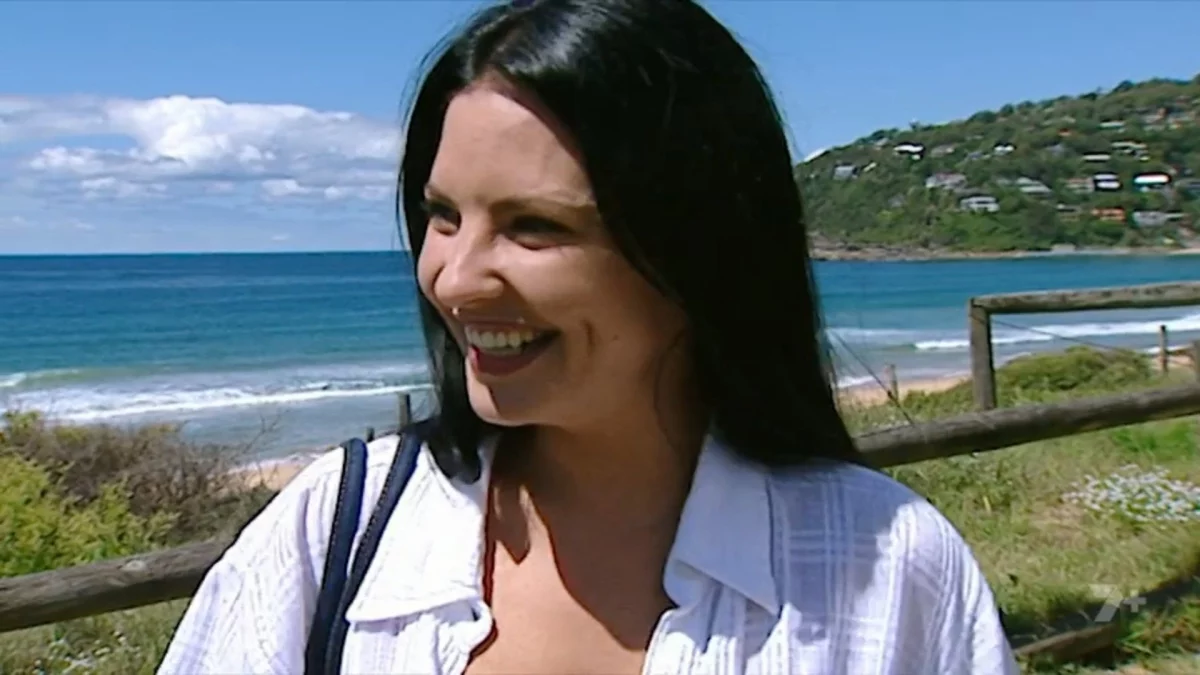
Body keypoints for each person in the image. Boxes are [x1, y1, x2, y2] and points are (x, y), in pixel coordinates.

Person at [158, 1, 1019, 673]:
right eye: (443, 216)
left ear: (698, 250)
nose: (454, 278)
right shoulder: (336, 530)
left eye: (534, 225)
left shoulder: (888, 569)